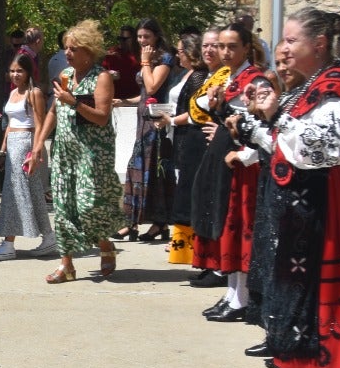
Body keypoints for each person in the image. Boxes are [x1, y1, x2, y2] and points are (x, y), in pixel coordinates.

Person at [235, 9, 340, 368]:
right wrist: (257, 125)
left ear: (320, 45)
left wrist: (273, 117)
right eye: (283, 41)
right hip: (298, 205)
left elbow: (323, 146)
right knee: (300, 300)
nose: (283, 49)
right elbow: (279, 143)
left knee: (317, 301)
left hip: (321, 204)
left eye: (292, 41)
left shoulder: (335, 87)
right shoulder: (307, 88)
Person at [191, 25, 265, 321]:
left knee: (240, 230)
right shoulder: (229, 79)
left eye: (232, 46)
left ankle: (242, 297)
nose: (224, 52)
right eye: (221, 46)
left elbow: (259, 125)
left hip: (245, 167)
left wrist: (244, 154)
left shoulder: (256, 80)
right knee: (227, 227)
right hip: (228, 164)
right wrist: (218, 107)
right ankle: (233, 293)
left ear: (247, 47)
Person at [43, 19, 122, 282]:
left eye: (74, 48)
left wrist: (74, 102)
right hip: (65, 151)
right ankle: (66, 265)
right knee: (64, 206)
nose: (68, 53)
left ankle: (104, 245)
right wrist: (38, 144)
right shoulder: (65, 76)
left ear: (88, 51)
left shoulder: (102, 77)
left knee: (89, 206)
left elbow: (101, 117)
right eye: (66, 48)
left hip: (92, 153)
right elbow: (53, 111)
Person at [0, 52, 55, 259]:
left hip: (26, 143)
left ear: (28, 72)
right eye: (12, 71)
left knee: (13, 193)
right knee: (29, 192)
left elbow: (40, 123)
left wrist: (35, 152)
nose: (15, 74)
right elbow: (9, 125)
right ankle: (49, 236)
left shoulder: (33, 93)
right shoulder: (12, 93)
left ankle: (8, 243)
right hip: (13, 145)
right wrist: (2, 149)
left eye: (20, 71)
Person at [161, 31, 215, 267]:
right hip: (181, 135)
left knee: (189, 188)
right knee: (181, 185)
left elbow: (196, 113)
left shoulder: (199, 77)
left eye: (180, 51)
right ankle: (181, 241)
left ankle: (188, 243)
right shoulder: (188, 74)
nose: (177, 55)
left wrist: (171, 121)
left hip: (189, 135)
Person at [118, 18, 174, 243]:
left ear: (157, 37)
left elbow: (152, 87)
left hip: (156, 121)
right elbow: (143, 93)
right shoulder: (148, 59)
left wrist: (144, 62)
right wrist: (123, 101)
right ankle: (131, 221)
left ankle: (159, 222)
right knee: (136, 171)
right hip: (142, 118)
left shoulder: (164, 58)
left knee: (152, 172)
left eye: (146, 37)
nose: (142, 41)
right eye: (139, 37)